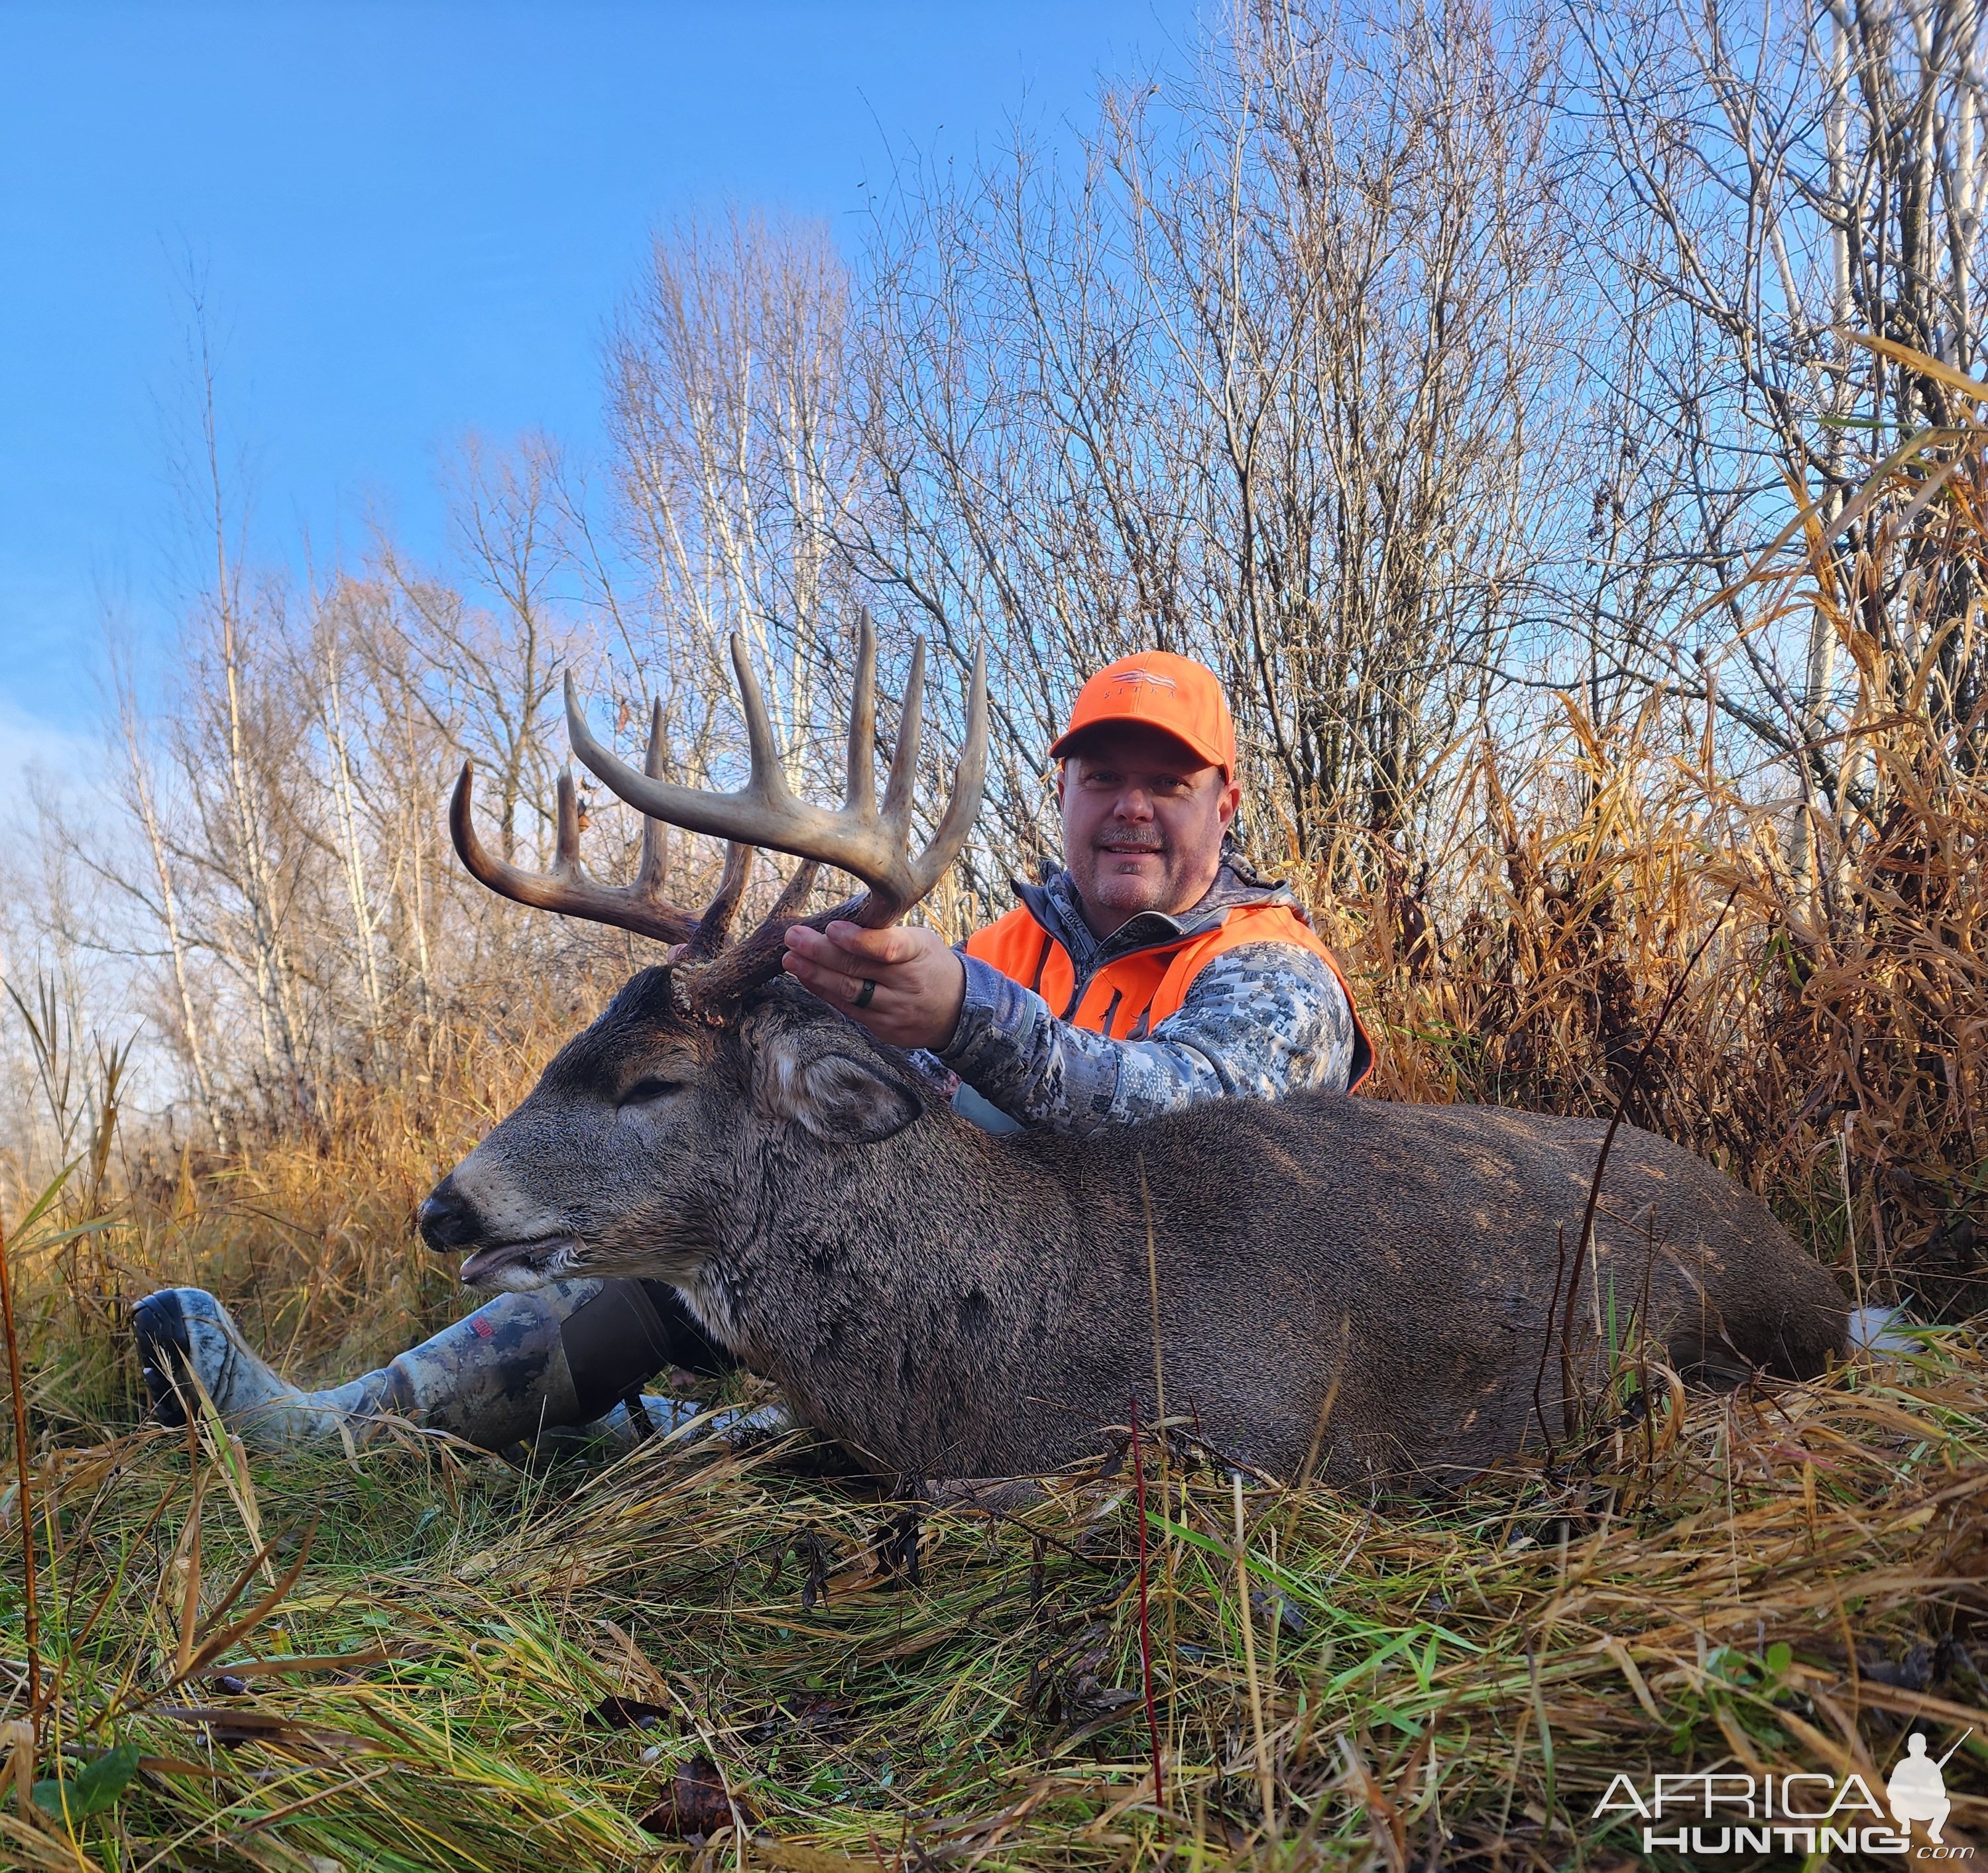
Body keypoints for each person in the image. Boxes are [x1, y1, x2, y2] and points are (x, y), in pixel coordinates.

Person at [133, 650, 1373, 1453]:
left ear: (1228, 802)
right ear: (1065, 796)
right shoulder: (993, 944)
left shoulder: (1273, 969)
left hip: (1182, 1349)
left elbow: (1192, 1129)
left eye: (1168, 779)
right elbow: (852, 1128)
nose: (1132, 806)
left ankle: (684, 1438)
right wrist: (752, 1000)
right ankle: (348, 1433)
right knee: (726, 1176)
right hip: (985, 1315)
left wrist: (963, 1017)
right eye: (1103, 776)